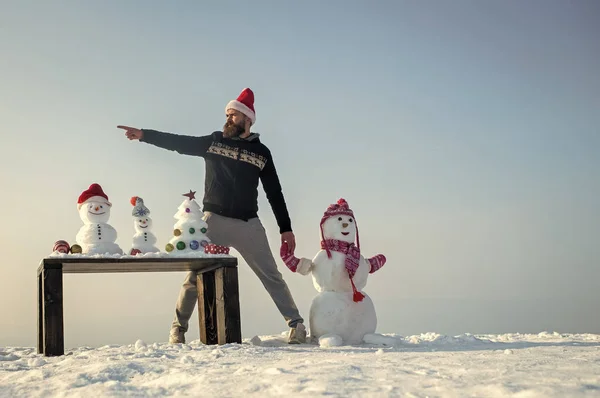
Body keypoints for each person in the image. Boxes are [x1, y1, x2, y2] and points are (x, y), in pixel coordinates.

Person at [117, 88, 306, 344]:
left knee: (271, 275)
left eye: (233, 115)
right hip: (212, 223)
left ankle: (296, 324)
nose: (228, 118)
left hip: (248, 224)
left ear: (248, 119)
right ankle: (178, 329)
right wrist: (144, 136)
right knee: (194, 277)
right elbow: (180, 143)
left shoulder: (262, 153)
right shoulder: (215, 141)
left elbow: (275, 192)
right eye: (227, 114)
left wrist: (286, 228)